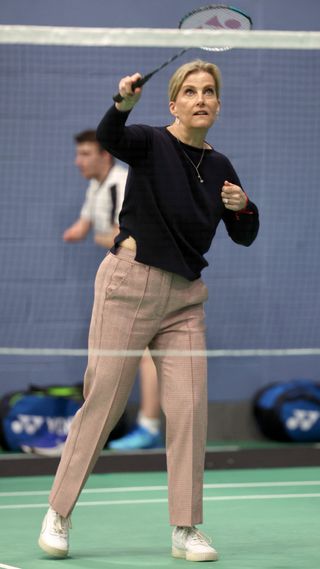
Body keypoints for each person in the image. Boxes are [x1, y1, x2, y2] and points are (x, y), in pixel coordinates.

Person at [38, 59, 259, 562]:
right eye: (190, 91)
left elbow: (244, 234)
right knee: (103, 403)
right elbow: (110, 135)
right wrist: (122, 104)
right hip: (129, 287)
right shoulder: (148, 141)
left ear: (218, 105)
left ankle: (186, 528)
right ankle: (59, 512)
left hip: (185, 301)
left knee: (189, 411)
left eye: (209, 92)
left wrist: (243, 205)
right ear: (173, 102)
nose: (200, 98)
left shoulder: (222, 167)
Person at [65, 129, 163, 450]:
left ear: (104, 155)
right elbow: (83, 225)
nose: (78, 161)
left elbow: (132, 236)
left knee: (147, 354)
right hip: (122, 277)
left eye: (85, 154)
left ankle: (149, 427)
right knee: (130, 354)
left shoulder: (122, 183)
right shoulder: (96, 188)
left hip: (146, 273)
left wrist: (102, 237)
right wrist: (79, 232)